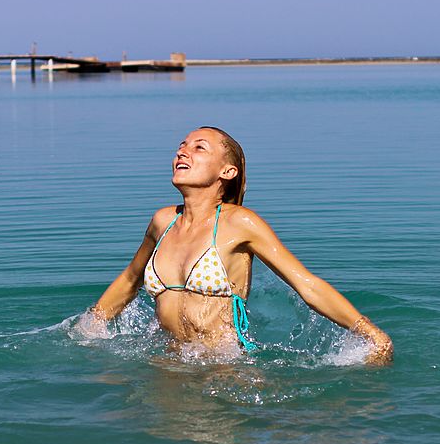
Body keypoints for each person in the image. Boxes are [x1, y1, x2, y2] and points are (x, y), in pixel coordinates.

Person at [86, 126, 394, 365]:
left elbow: (307, 284)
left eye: (198, 148)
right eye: (181, 147)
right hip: (166, 362)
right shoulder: (162, 222)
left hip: (226, 367)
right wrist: (90, 324)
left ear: (227, 172)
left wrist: (370, 334)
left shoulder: (240, 223)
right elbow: (129, 279)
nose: (182, 153)